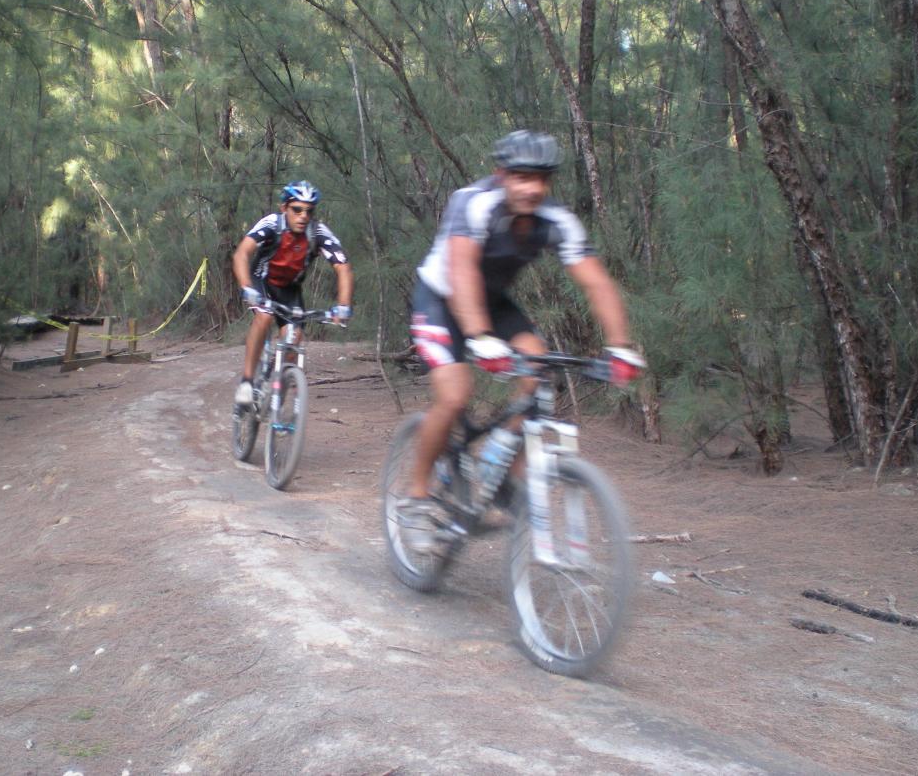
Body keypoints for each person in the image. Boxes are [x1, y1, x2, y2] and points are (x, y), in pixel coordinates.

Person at [404, 129, 645, 547]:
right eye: (520, 176)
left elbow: (597, 284)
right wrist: (478, 336)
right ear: (501, 174)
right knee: (455, 395)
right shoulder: (474, 202)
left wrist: (620, 347)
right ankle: (417, 498)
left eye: (540, 178)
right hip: (440, 299)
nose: (531, 188)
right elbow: (460, 270)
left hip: (493, 302)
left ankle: (503, 473)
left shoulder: (556, 221)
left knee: (537, 367)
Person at [231, 180, 354, 405]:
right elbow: (242, 254)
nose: (303, 216)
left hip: (290, 291)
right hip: (262, 282)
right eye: (297, 209)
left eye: (309, 211)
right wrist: (247, 287)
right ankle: (247, 382)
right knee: (264, 316)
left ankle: (275, 395)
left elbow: (342, 266)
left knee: (294, 338)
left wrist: (343, 305)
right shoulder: (271, 224)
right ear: (284, 208)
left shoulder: (317, 232)